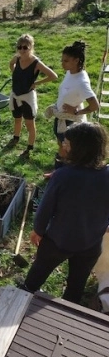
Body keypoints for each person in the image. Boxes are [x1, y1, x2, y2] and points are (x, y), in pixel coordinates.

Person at [20, 122, 109, 304]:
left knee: (39, 271)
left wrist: (38, 230)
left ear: (79, 149)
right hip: (90, 244)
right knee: (77, 282)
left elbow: (46, 209)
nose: (63, 146)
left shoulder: (62, 176)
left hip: (58, 241)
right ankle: (70, 304)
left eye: (67, 143)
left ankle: (27, 291)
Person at [44, 41, 99, 177]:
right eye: (62, 60)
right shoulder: (71, 72)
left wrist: (76, 111)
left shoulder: (82, 82)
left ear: (76, 60)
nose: (62, 63)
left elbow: (94, 106)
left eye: (66, 61)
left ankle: (64, 176)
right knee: (61, 147)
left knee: (68, 151)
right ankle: (58, 173)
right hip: (61, 118)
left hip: (70, 123)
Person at [7, 33, 58, 158]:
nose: (22, 50)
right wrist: (15, 73)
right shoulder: (17, 58)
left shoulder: (36, 63)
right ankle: (16, 138)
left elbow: (53, 76)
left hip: (27, 97)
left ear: (31, 47)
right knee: (17, 119)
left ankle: (29, 148)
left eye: (25, 47)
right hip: (15, 94)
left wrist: (36, 83)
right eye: (19, 47)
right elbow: (10, 64)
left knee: (30, 123)